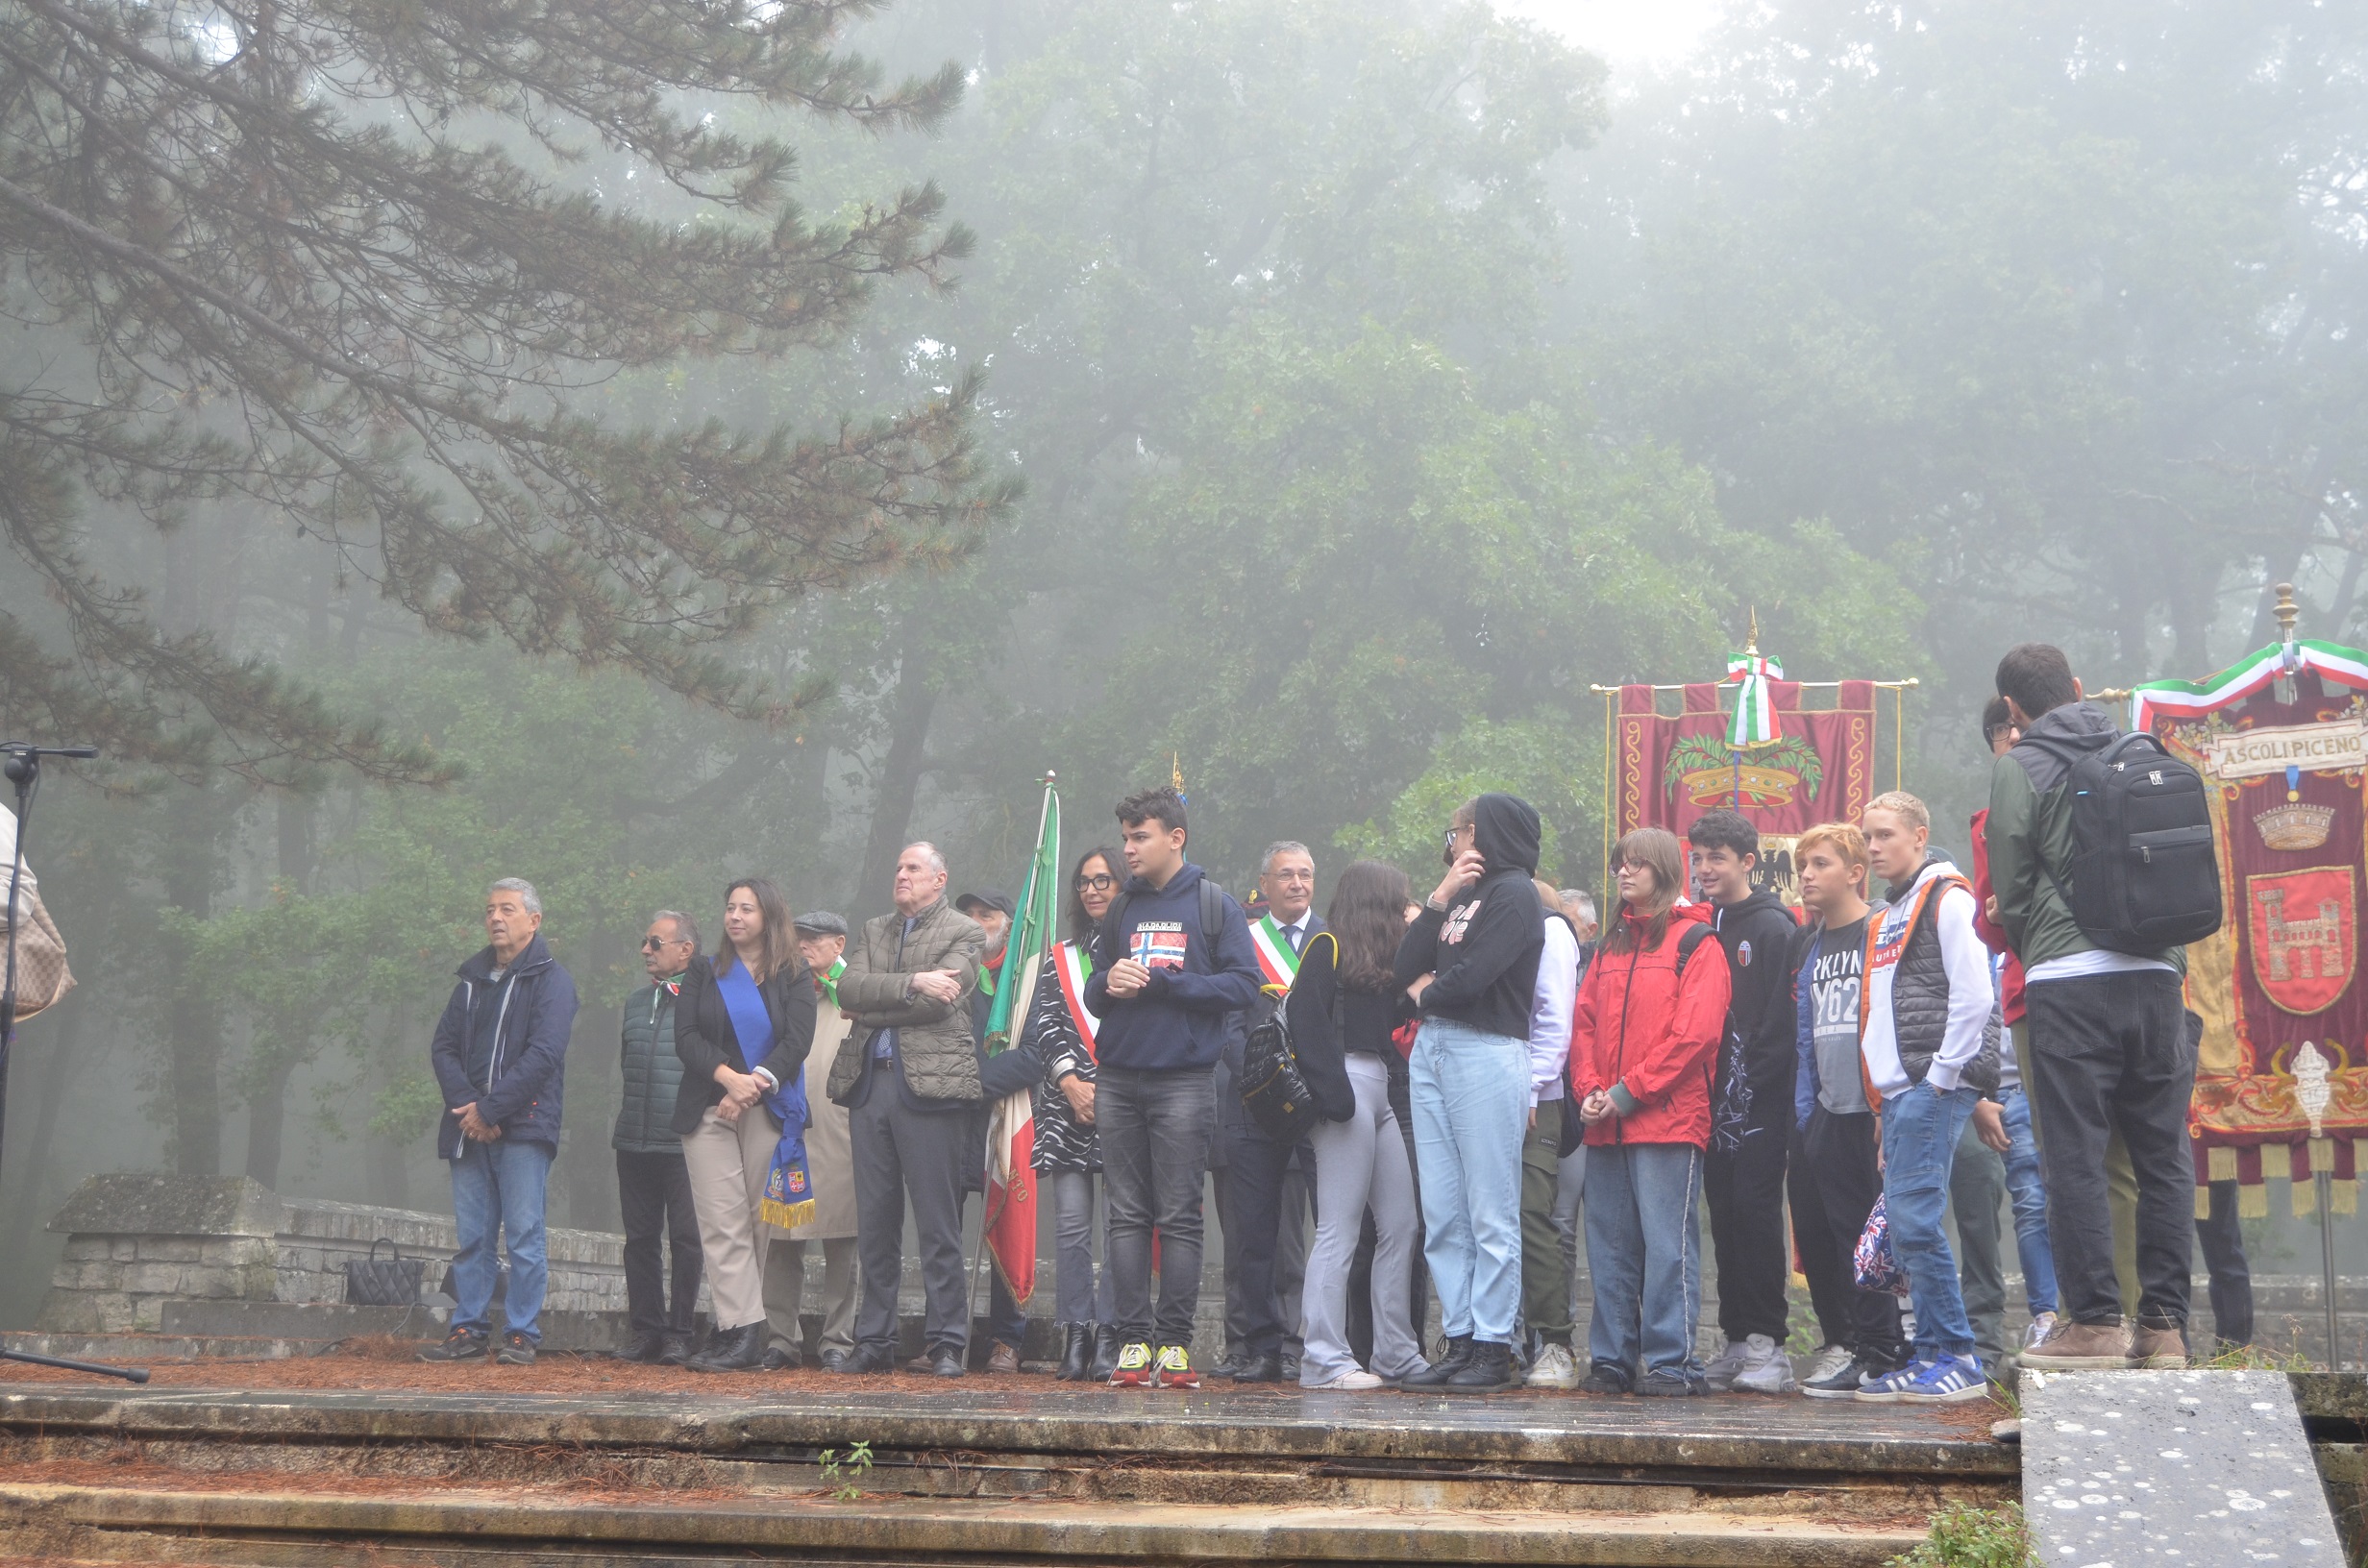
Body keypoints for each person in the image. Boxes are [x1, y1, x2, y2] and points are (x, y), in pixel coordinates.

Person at [1988, 644, 2197, 1372]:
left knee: (2073, 1152)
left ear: (2014, 710)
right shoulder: (2142, 747)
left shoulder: (2021, 765)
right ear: (2078, 689)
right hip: (2158, 977)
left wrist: (2039, 945)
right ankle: (2165, 1329)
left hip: (2069, 982)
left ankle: (2097, 1326)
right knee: (2163, 1156)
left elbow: (2012, 888)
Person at [1083, 786, 1262, 1390]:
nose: (1128, 850)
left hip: (1186, 1081)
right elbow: (1092, 995)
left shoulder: (1216, 905)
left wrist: (1165, 984)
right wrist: (1110, 979)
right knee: (1127, 1215)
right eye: (1126, 837)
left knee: (1181, 1217)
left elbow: (1243, 986)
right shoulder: (1120, 909)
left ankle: (1176, 1346)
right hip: (1117, 1077)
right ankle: (1133, 1344)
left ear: (1175, 838)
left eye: (1141, 837)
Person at [1393, 794, 1546, 1393]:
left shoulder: (1514, 895)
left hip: (1485, 1051)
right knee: (1443, 1210)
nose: (1452, 842)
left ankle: (1492, 1343)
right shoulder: (1463, 892)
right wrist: (1438, 898)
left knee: (1489, 1208)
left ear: (1486, 835)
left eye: (1458, 832)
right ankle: (1458, 1338)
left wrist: (1426, 993)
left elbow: (1473, 977)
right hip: (1434, 1049)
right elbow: (1404, 963)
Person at [1570, 827, 1730, 1396]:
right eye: (1619, 864)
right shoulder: (1609, 945)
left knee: (1667, 1244)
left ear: (1663, 871)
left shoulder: (1697, 943)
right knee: (1609, 1246)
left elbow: (1695, 1037)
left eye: (1636, 864)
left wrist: (1627, 1091)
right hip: (1607, 1121)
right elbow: (1583, 1023)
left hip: (1667, 1120)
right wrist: (1591, 1088)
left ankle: (1673, 1363)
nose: (1623, 873)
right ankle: (1612, 1359)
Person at [1857, 792, 1998, 1403]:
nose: (1873, 847)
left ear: (1920, 836)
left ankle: (1960, 1356)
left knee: (1915, 1220)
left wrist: (1941, 1076)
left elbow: (1977, 996)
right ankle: (1932, 1353)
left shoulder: (1949, 897)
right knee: (1910, 1228)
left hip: (1929, 1083)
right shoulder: (1894, 909)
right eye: (1868, 837)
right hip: (1899, 1089)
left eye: (1886, 835)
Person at [829, 844, 987, 1377]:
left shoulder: (967, 931)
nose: (900, 875)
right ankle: (873, 1340)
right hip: (868, 1088)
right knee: (875, 1222)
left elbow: (946, 998)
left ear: (939, 880)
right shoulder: (874, 929)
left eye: (912, 868)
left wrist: (873, 1005)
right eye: (898, 868)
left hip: (931, 1091)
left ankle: (947, 1343)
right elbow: (843, 988)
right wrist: (915, 981)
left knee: (938, 1224)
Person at [420, 878, 580, 1366]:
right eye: (489, 909)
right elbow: (443, 1047)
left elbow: (545, 1055)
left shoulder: (553, 981)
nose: (495, 918)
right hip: (469, 1128)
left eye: (507, 909)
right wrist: (471, 1108)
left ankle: (521, 1333)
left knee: (526, 1235)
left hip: (525, 1128)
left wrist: (490, 1111)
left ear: (534, 920)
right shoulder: (469, 981)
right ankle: (467, 1329)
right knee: (472, 1237)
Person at [1286, 859, 1425, 1389]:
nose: (1402, 911)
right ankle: (1323, 1356)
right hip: (1345, 1088)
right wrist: (1334, 1097)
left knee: (1401, 1223)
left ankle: (1395, 1350)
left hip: (1378, 1088)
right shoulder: (1327, 947)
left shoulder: (1382, 961)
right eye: (1397, 902)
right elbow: (1304, 1020)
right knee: (1338, 1229)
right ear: (1376, 905)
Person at [671, 877, 817, 1374]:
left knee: (756, 1225)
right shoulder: (703, 971)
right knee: (720, 1222)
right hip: (707, 1108)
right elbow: (685, 1036)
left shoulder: (793, 974)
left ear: (768, 916)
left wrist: (751, 1085)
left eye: (746, 909)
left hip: (766, 1109)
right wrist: (727, 1079)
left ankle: (733, 1328)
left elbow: (797, 1042)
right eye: (729, 907)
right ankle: (746, 1333)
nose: (734, 916)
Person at [1786, 824, 1910, 1397]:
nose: (1807, 874)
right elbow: (1806, 1035)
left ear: (1856, 873)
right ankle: (1869, 1349)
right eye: (1803, 864)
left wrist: (1890, 1102)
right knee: (1845, 1236)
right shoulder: (1812, 945)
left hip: (1879, 1108)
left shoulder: (1883, 931)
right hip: (1829, 1111)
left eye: (1820, 863)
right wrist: (1809, 1114)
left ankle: (1902, 1348)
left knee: (1894, 1232)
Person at [1685, 809, 1802, 1395]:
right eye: (1698, 858)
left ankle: (1768, 1344)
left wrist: (1749, 1088)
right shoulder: (1702, 926)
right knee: (1724, 1215)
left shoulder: (1775, 927)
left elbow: (1781, 1026)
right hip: (1708, 1105)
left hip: (1759, 1101)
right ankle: (1734, 1337)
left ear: (1749, 862)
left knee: (1756, 1215)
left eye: (1717, 859)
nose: (1704, 869)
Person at [1961, 698, 2060, 1365]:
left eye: (2022, 726)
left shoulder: (2066, 801)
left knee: (2086, 1176)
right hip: (2005, 1059)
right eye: (2003, 731)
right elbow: (1971, 978)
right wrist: (1977, 1092)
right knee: (2027, 1191)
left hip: (2066, 1009)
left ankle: (2118, 1313)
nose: (2015, 738)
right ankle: (2049, 1315)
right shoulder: (1983, 836)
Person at [1215, 841, 1322, 1384]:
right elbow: (1228, 1027)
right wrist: (1260, 1083)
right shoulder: (1243, 943)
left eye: (1305, 874)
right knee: (1253, 1236)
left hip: (1313, 1112)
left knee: (1305, 1238)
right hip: (1253, 1109)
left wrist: (1309, 1090)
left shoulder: (1330, 941)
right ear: (1266, 881)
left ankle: (1302, 1344)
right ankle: (1259, 1344)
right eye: (1287, 875)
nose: (1298, 884)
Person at [1020, 847, 1125, 1381]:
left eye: (1104, 879)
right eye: (1084, 882)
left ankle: (1111, 1332)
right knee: (1071, 1229)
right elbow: (1046, 1027)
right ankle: (1076, 1332)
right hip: (1066, 1107)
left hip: (1127, 1100)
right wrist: (1071, 1083)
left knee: (1120, 1227)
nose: (1093, 890)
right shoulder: (1058, 956)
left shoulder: (1140, 952)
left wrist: (1107, 1089)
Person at [759, 912, 860, 1371]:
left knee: (844, 1238)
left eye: (814, 939)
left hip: (841, 1130)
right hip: (786, 1132)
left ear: (839, 943)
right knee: (781, 1237)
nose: (803, 945)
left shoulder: (859, 991)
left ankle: (838, 1340)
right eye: (798, 938)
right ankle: (781, 1338)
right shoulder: (778, 991)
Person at [613, 910, 704, 1366]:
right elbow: (626, 1061)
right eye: (645, 942)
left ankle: (681, 1332)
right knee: (640, 1238)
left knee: (687, 1238)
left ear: (685, 949)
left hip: (684, 1138)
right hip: (634, 1137)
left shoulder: (706, 1000)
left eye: (655, 942)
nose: (645, 950)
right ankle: (645, 1330)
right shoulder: (633, 1001)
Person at [955, 887, 1032, 1375]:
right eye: (970, 915)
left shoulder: (1027, 978)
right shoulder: (951, 972)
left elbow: (1038, 1053)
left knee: (1009, 1220)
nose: (979, 922)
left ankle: (1008, 1338)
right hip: (947, 1117)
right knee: (943, 1226)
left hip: (1006, 1113)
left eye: (989, 915)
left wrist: (971, 1084)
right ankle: (944, 1337)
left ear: (1007, 923)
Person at [1520, 877, 1583, 1389]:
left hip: (1540, 1099)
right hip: (1483, 1093)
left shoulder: (1551, 930)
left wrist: (1534, 1086)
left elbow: (1555, 1021)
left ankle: (1555, 1341)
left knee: (1533, 1216)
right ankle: (1491, 1342)